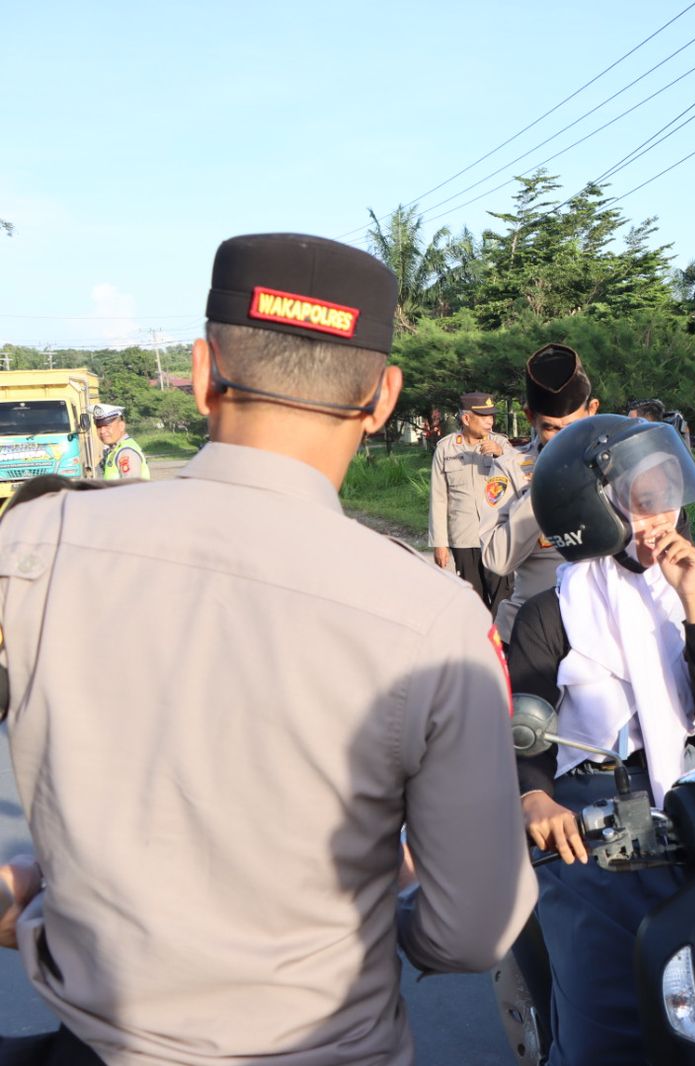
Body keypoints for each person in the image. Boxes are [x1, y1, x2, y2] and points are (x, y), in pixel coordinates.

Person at [0, 233, 538, 1065]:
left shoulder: (38, 541)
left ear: (205, 371)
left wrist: (28, 895)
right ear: (384, 395)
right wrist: (387, 931)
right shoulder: (432, 617)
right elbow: (474, 929)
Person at [505, 414, 695, 1065]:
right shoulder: (552, 614)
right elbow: (522, 726)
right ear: (595, 511)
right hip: (588, 818)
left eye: (667, 497)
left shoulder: (686, 594)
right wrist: (534, 800)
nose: (661, 518)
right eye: (642, 503)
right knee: (602, 1017)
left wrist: (694, 599)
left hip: (686, 805)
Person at [480, 343, 601, 638]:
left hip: (601, 627)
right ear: (530, 416)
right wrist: (540, 488)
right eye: (551, 428)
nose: (563, 439)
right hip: (534, 628)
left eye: (572, 426)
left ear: (593, 409)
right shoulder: (510, 468)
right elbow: (497, 560)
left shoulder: (616, 463)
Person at [429, 390, 515, 610]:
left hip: (496, 536)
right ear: (466, 419)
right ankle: (479, 644)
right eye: (484, 416)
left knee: (503, 601)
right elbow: (439, 498)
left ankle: (500, 645)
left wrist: (500, 455)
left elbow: (520, 482)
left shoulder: (502, 445)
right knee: (472, 603)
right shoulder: (446, 449)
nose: (490, 421)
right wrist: (440, 542)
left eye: (492, 416)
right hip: (464, 538)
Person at [91, 403, 149, 480]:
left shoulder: (126, 452)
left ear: (121, 426)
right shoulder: (115, 450)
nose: (102, 431)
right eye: (99, 427)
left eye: (107, 426)